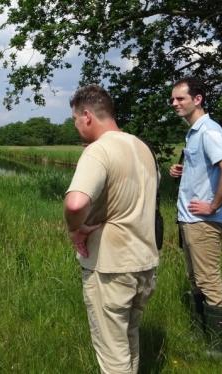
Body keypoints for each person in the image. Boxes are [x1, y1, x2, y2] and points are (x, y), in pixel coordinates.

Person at [64, 85, 159, 374]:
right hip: (144, 261)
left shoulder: (98, 151)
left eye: (75, 120)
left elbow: (75, 202)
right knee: (130, 338)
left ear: (88, 116)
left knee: (112, 354)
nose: (76, 126)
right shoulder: (142, 147)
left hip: (111, 267)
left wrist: (75, 229)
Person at [169, 77, 222, 356]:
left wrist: (213, 206)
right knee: (196, 280)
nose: (174, 104)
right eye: (173, 99)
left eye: (180, 99)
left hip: (203, 222)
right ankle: (203, 337)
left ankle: (219, 350)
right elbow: (206, 172)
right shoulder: (194, 133)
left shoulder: (209, 131)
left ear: (197, 99)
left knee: (208, 281)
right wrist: (182, 172)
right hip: (189, 220)